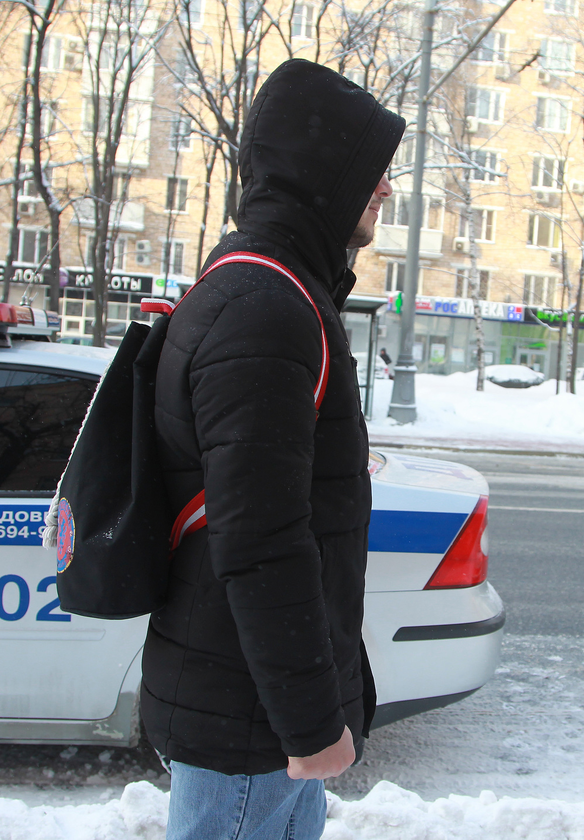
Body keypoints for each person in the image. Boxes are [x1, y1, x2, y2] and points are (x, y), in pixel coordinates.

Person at [141, 59, 403, 840]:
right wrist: (310, 726)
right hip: (252, 727)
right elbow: (260, 541)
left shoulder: (267, 288)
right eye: (373, 170)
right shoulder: (266, 309)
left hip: (248, 710)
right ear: (323, 173)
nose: (385, 189)